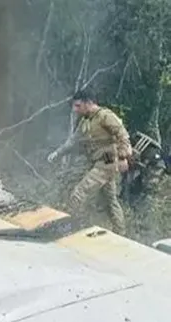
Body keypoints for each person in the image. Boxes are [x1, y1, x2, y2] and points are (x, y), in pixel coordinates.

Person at [47, 89, 132, 234]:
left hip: (107, 161)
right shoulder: (86, 121)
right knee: (110, 201)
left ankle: (69, 229)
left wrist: (123, 158)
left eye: (78, 106)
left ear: (88, 103)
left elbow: (123, 135)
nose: (75, 110)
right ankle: (121, 233)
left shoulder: (105, 116)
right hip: (99, 162)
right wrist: (58, 153)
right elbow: (73, 141)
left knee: (79, 194)